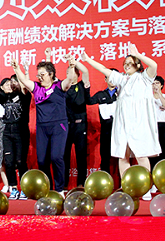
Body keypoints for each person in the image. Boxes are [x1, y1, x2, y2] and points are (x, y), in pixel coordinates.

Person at [82, 43, 160, 182]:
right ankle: (127, 185)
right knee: (123, 156)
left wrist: (138, 55)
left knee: (141, 155)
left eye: (130, 63)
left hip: (138, 122)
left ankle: (145, 186)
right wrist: (88, 60)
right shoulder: (122, 79)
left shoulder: (144, 78)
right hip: (123, 122)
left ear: (137, 65)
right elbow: (104, 69)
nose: (127, 65)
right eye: (125, 63)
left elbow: (154, 65)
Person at [11, 56, 78, 194]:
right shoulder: (36, 88)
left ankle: (59, 189)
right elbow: (24, 80)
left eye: (42, 74)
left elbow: (69, 79)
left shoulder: (59, 86)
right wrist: (16, 68)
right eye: (38, 75)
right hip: (42, 127)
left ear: (51, 74)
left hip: (58, 126)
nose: (40, 77)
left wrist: (71, 66)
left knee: (56, 157)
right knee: (41, 160)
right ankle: (48, 188)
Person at [0, 75, 28, 200]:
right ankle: (14, 188)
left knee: (20, 161)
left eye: (12, 83)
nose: (10, 85)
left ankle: (24, 189)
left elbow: (25, 85)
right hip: (7, 131)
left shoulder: (22, 95)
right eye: (8, 84)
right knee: (9, 162)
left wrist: (23, 72)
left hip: (19, 130)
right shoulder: (4, 97)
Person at [58, 49, 91, 190]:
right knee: (64, 156)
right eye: (67, 73)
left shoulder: (82, 85)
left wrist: (73, 62)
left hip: (80, 125)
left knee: (81, 155)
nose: (69, 75)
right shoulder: (63, 88)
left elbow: (86, 71)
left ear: (77, 74)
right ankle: (64, 184)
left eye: (72, 72)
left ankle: (81, 184)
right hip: (66, 126)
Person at [89, 72, 118, 176]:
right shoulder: (100, 94)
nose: (112, 80)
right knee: (105, 156)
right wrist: (86, 87)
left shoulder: (123, 93)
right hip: (106, 130)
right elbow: (89, 101)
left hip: (120, 130)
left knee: (122, 157)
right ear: (105, 80)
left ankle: (124, 182)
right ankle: (105, 180)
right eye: (109, 78)